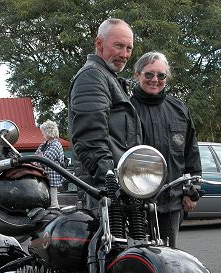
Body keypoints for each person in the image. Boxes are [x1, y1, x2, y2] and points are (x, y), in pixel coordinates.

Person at [130, 51, 202, 248]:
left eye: (161, 75)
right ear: (137, 75)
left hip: (171, 203)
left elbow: (191, 153)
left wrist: (192, 190)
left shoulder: (179, 110)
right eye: (149, 74)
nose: (155, 80)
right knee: (137, 258)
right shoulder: (124, 109)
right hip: (134, 205)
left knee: (169, 258)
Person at [68, 18, 141, 209]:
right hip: (104, 192)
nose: (125, 54)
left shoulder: (108, 77)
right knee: (109, 240)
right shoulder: (92, 76)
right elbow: (90, 140)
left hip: (120, 187)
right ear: (99, 43)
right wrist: (111, 181)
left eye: (129, 48)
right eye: (119, 46)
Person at [35, 120, 65, 208]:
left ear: (48, 132)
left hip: (52, 176)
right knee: (46, 199)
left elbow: (46, 158)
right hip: (44, 176)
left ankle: (55, 214)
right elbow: (36, 157)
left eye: (43, 131)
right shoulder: (44, 144)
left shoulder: (56, 144)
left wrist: (41, 157)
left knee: (53, 202)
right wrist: (40, 157)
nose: (42, 134)